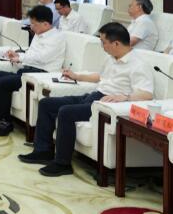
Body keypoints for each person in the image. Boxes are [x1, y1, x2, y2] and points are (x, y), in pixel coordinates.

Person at [19, 22, 154, 177]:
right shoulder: (112, 58)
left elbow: (147, 94)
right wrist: (77, 76)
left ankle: (62, 163)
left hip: (104, 105)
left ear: (116, 43)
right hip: (93, 96)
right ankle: (43, 151)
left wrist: (125, 97)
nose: (102, 46)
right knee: (46, 104)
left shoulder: (138, 64)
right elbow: (100, 77)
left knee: (66, 112)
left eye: (103, 42)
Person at [0, 5, 66, 136]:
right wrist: (17, 55)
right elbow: (31, 53)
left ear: (46, 24)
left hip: (40, 74)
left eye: (34, 24)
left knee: (3, 83)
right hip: (26, 71)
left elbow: (42, 58)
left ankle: (5, 122)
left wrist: (21, 58)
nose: (31, 27)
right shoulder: (39, 34)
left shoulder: (57, 37)